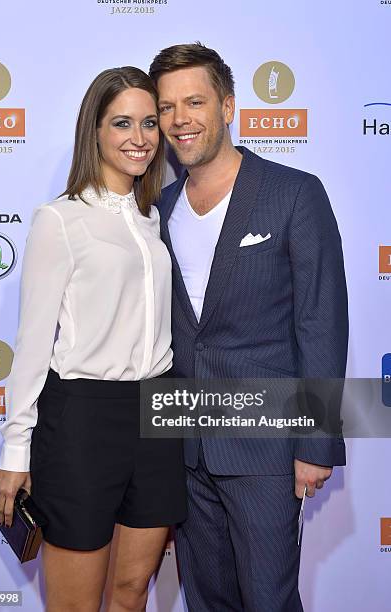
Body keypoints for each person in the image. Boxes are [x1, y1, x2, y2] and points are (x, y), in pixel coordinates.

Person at [149, 43, 348, 611]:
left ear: (229, 106)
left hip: (266, 449)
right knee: (207, 602)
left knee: (269, 601)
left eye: (195, 101)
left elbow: (321, 323)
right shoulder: (157, 209)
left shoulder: (294, 193)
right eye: (167, 107)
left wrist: (315, 444)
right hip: (184, 452)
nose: (180, 119)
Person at [0, 66, 187, 612]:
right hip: (82, 421)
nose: (141, 138)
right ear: (94, 130)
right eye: (122, 122)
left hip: (158, 413)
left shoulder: (153, 219)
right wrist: (14, 451)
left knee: (129, 593)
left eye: (150, 123)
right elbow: (32, 344)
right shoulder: (60, 219)